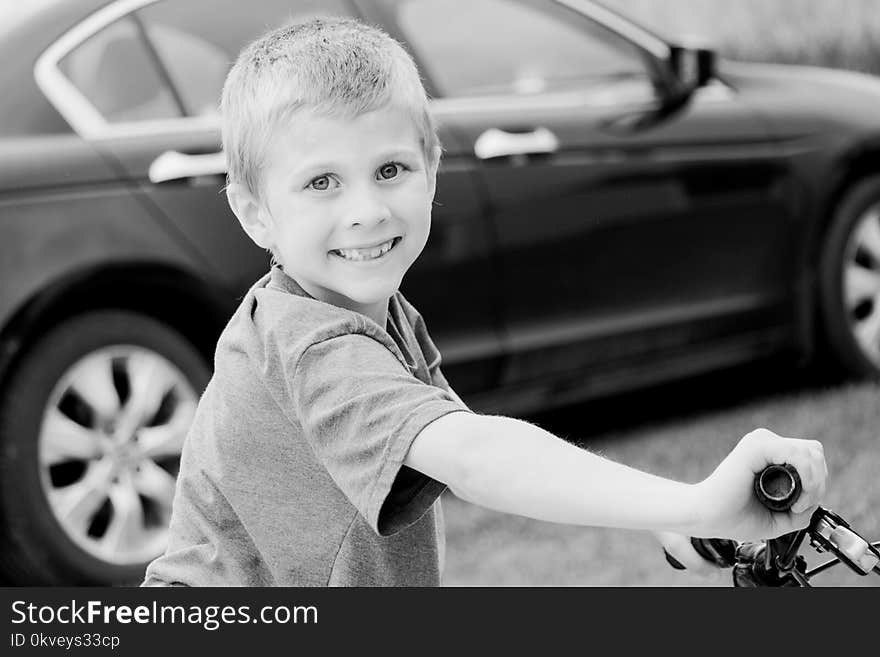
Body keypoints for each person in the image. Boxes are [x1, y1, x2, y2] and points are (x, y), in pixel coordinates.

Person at [142, 17, 827, 587]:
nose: (366, 211)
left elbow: (457, 436)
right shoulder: (310, 345)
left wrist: (659, 510)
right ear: (254, 212)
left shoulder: (366, 313)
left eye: (390, 170)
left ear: (432, 166)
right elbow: (472, 455)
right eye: (321, 182)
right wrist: (696, 500)